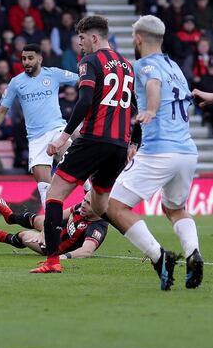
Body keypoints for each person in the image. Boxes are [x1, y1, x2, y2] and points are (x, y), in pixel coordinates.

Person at [33, 15, 136, 274]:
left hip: (93, 140)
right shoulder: (127, 65)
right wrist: (135, 141)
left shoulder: (89, 61)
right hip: (119, 145)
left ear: (93, 37)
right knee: (102, 207)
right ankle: (154, 251)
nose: (79, 43)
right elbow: (136, 108)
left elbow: (84, 100)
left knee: (54, 195)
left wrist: (63, 136)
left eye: (81, 38)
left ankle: (52, 261)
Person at [107, 16, 202, 290]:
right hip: (187, 152)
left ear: (137, 39)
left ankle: (160, 257)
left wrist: (150, 109)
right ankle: (193, 253)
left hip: (160, 150)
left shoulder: (145, 64)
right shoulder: (175, 67)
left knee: (114, 207)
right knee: (174, 208)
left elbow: (153, 85)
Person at [0, 43, 79, 206]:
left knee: (72, 159)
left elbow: (82, 79)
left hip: (57, 130)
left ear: (40, 59)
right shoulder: (16, 82)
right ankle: (50, 227)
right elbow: (1, 111)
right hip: (36, 139)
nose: (26, 62)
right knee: (44, 189)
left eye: (30, 58)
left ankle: (88, 190)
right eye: (24, 58)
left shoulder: (54, 74)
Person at [0, 193, 108, 260]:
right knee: (40, 220)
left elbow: (87, 251)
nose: (83, 204)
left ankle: (7, 238)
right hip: (58, 229)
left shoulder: (97, 227)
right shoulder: (81, 208)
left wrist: (63, 257)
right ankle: (11, 218)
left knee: (24, 235)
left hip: (55, 246)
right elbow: (57, 216)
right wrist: (46, 229)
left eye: (88, 203)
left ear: (99, 207)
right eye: (84, 200)